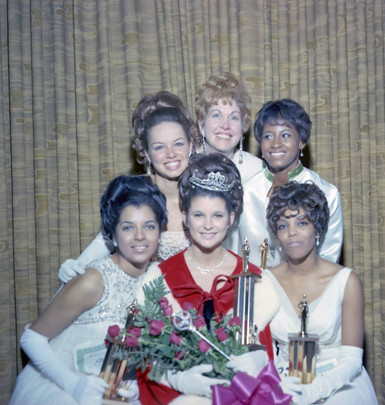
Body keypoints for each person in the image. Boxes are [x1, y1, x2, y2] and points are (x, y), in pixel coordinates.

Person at [10, 175, 168, 405]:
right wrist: (73, 384)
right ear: (112, 235)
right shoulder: (94, 280)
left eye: (149, 226)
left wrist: (133, 382)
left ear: (160, 232)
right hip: (58, 388)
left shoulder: (158, 280)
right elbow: (31, 338)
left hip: (109, 393)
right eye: (127, 227)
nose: (140, 236)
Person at [137, 153, 279, 405]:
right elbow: (146, 357)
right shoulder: (158, 278)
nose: (208, 225)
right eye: (199, 215)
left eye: (217, 215)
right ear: (184, 217)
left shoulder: (255, 279)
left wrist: (257, 359)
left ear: (231, 219)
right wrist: (178, 379)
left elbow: (263, 354)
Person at [59, 92, 199, 282]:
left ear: (191, 146)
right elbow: (106, 241)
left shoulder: (203, 193)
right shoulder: (134, 193)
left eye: (178, 144)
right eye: (159, 147)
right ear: (147, 153)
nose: (171, 154)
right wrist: (78, 265)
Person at [266, 182, 378, 404]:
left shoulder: (346, 282)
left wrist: (315, 390)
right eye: (282, 226)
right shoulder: (265, 281)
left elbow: (352, 360)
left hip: (340, 381)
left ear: (317, 228)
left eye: (301, 223)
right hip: (284, 380)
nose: (292, 233)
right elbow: (259, 350)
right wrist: (281, 384)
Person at [233, 98, 343, 267]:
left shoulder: (327, 193)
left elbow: (328, 259)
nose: (276, 144)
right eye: (268, 136)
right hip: (255, 289)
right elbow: (235, 256)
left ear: (301, 141)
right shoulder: (245, 193)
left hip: (308, 290)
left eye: (285, 135)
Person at [195, 72, 265, 183]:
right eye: (217, 115)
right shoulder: (184, 167)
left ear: (243, 127)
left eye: (234, 118)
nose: (225, 125)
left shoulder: (258, 171)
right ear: (202, 124)